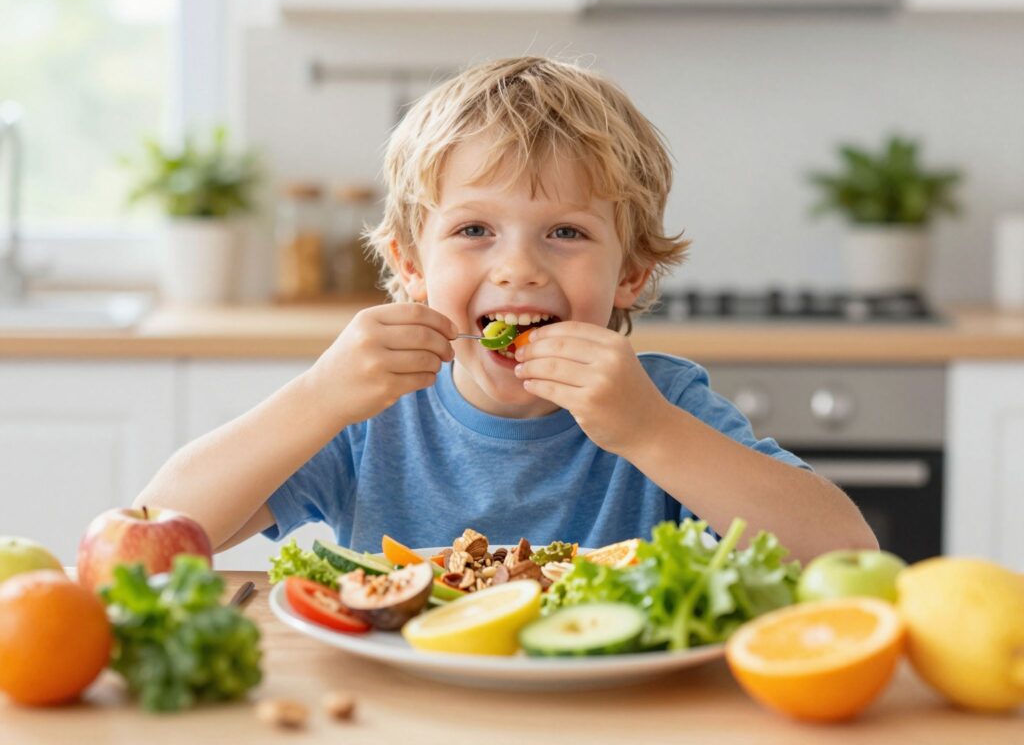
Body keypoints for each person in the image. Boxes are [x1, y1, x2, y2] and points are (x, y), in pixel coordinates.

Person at [137, 57, 876, 563]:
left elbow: (845, 553)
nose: (518, 266)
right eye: (474, 231)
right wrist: (317, 397)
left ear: (632, 273)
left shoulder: (663, 405)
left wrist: (651, 432)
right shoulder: (371, 415)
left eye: (566, 232)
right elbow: (149, 541)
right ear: (411, 266)